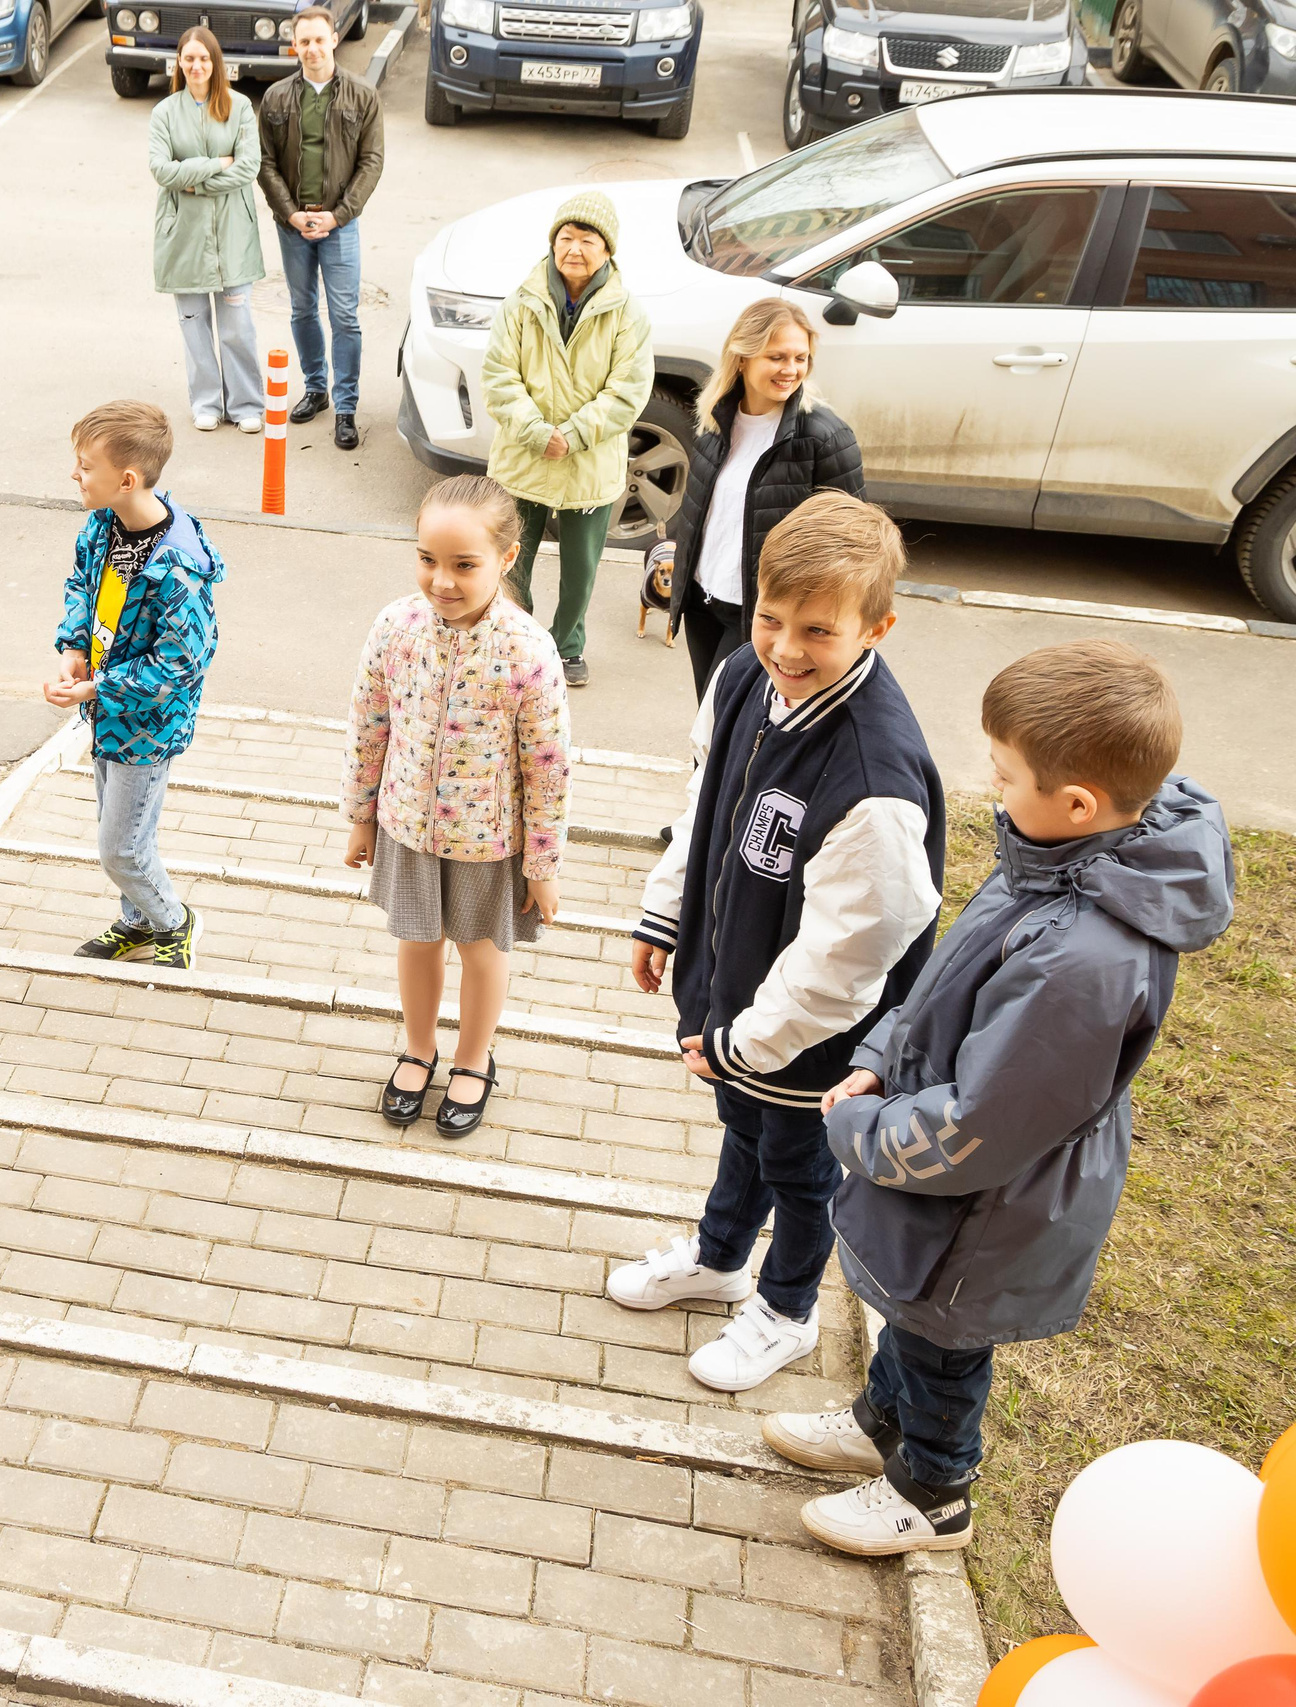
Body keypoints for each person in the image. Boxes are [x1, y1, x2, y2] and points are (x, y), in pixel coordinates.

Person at [769, 642, 1232, 1556]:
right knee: (914, 1307)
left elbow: (983, 1126)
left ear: (1078, 802)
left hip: (989, 1203)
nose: (990, 784)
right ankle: (882, 1421)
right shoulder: (1057, 857)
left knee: (947, 1329)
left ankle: (933, 1486)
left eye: (1006, 772)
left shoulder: (1084, 960)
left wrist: (861, 1127)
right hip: (948, 1164)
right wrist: (874, 1054)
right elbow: (947, 979)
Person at [610, 493, 945, 1394]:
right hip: (737, 993)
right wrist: (666, 913)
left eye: (818, 631)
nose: (787, 649)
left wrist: (741, 1043)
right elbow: (704, 804)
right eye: (770, 617)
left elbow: (845, 963)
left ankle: (785, 1310)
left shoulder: (873, 783)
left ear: (877, 626)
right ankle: (720, 1257)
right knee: (743, 1131)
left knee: (800, 1171)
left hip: (815, 1036)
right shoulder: (743, 679)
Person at [342, 475, 568, 1138]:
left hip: (488, 840)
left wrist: (544, 863)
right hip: (406, 824)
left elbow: (550, 768)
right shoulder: (395, 627)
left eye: (463, 564)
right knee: (416, 939)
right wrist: (361, 813)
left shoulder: (528, 650)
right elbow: (369, 722)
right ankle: (419, 1047)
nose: (441, 580)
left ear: (506, 557)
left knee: (480, 947)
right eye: (427, 559)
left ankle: (472, 1058)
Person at [45, 400, 223, 971]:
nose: (75, 475)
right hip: (107, 717)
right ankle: (137, 922)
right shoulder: (103, 524)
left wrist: (96, 689)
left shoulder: (179, 570)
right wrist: (75, 649)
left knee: (119, 848)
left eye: (84, 465)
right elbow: (81, 584)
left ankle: (173, 921)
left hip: (145, 726)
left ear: (126, 479)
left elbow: (179, 666)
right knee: (119, 834)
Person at [480, 191, 654, 688]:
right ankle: (512, 640)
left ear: (608, 250)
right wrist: (536, 433)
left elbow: (628, 391)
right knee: (511, 558)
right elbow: (498, 377)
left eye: (587, 240)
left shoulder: (629, 314)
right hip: (523, 458)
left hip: (589, 465)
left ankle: (567, 646)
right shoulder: (520, 303)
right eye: (565, 238)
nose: (574, 249)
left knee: (580, 569)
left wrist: (572, 435)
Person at [656, 300, 865, 698]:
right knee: (710, 717)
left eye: (801, 358)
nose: (791, 370)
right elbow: (703, 511)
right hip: (703, 598)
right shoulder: (715, 420)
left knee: (728, 718)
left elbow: (853, 547)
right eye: (777, 357)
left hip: (763, 612)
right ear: (742, 358)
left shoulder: (824, 437)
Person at [256, 6, 383, 452]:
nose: (311, 48)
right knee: (303, 309)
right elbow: (265, 163)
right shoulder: (275, 98)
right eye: (303, 41)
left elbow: (371, 162)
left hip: (339, 224)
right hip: (291, 224)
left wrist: (339, 214)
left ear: (334, 39)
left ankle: (346, 408)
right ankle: (316, 388)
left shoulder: (363, 96)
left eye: (318, 39)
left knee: (345, 316)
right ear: (295, 45)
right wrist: (291, 213)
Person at [148, 27, 265, 435]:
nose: (196, 66)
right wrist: (216, 165)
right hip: (184, 236)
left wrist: (190, 178)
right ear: (179, 62)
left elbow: (249, 167)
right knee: (193, 322)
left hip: (233, 236)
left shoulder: (240, 107)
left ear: (216, 62)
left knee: (238, 325)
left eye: (204, 58)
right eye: (188, 58)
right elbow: (162, 171)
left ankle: (247, 403)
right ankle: (207, 403)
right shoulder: (164, 112)